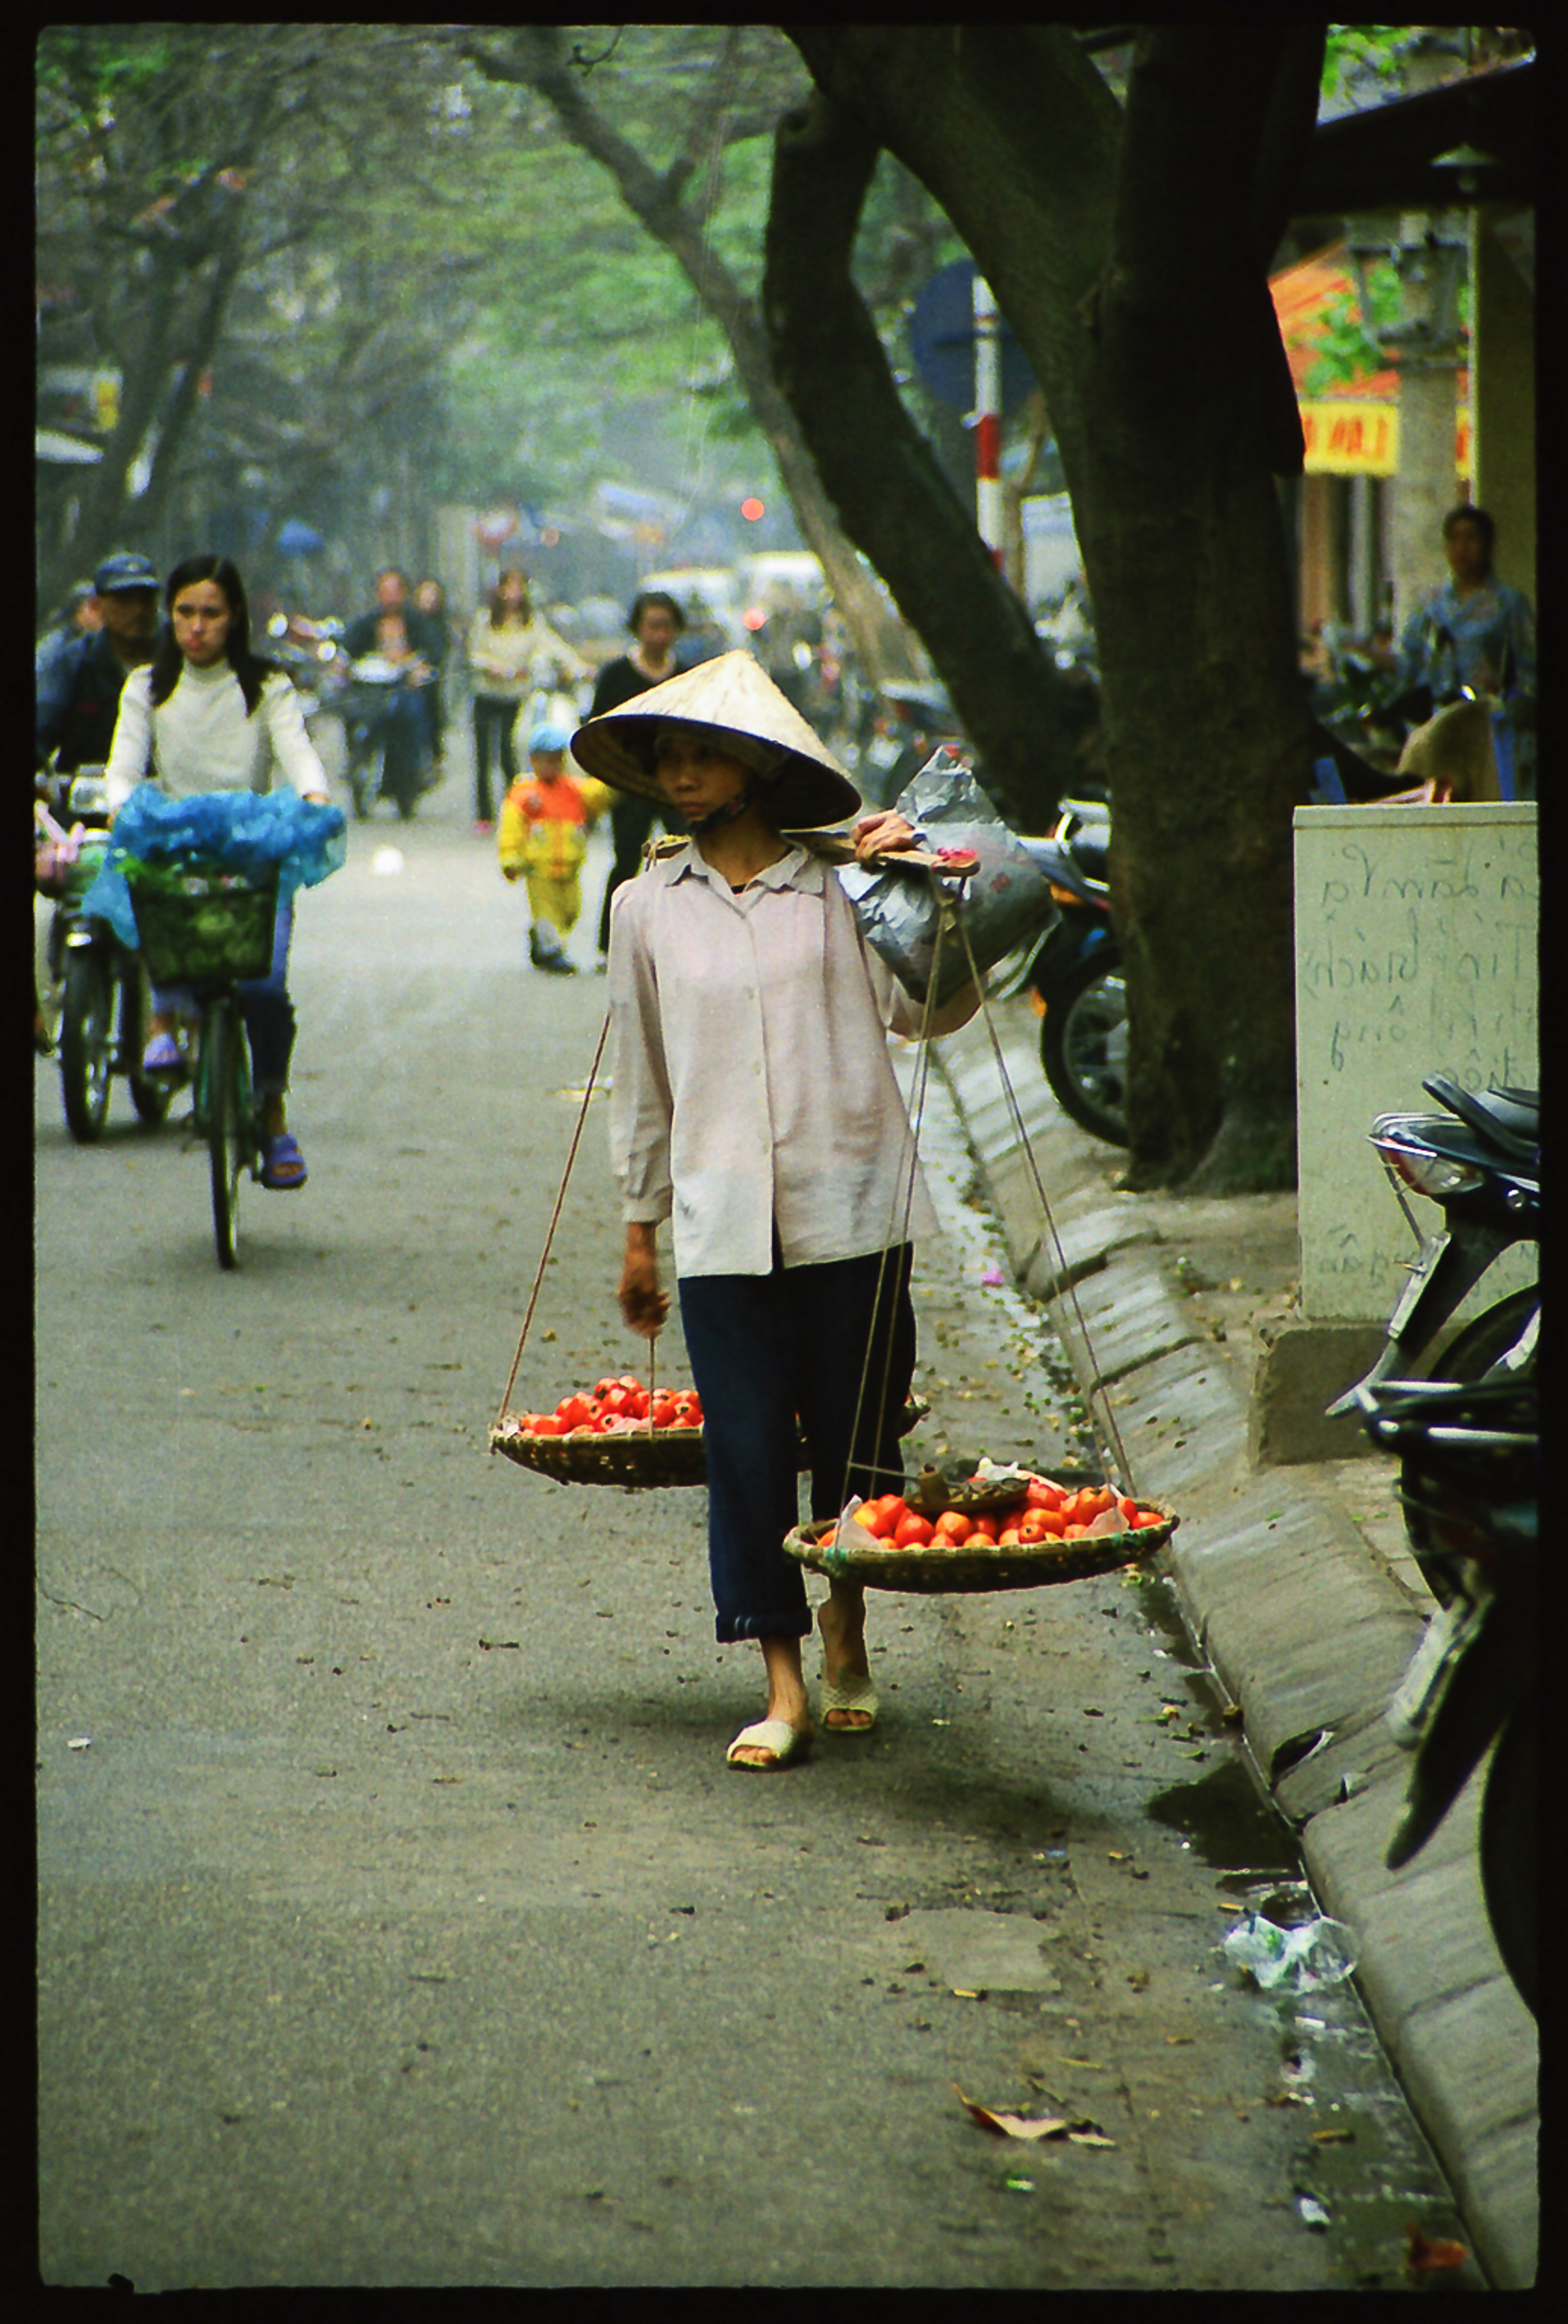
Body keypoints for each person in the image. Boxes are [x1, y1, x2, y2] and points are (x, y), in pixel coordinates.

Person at [571, 650, 982, 1771]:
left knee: (857, 1437)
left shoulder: (841, 886)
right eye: (668, 756)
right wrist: (638, 1226)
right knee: (747, 1446)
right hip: (718, 1221)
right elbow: (642, 1078)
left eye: (703, 752)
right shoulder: (645, 904)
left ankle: (847, 1619)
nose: (682, 773)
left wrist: (924, 888)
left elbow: (930, 1009)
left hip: (851, 1200)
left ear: (756, 767)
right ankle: (782, 1677)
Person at [103, 554, 333, 1190]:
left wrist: (314, 797)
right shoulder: (148, 685)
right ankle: (164, 1018)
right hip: (177, 845)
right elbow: (124, 765)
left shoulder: (268, 685)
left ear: (234, 619)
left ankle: (271, 1109)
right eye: (185, 612)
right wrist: (120, 802)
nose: (197, 627)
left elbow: (298, 755)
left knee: (262, 984)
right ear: (169, 617)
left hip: (254, 849)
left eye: (211, 613)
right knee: (151, 907)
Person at [589, 590, 690, 965]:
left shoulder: (688, 675)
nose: (659, 635)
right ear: (638, 629)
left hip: (679, 784)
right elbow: (598, 727)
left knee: (687, 858)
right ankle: (610, 945)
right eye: (652, 626)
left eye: (666, 627)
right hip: (630, 781)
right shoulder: (616, 675)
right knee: (626, 861)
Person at [466, 568, 590, 837]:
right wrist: (494, 667)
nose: (513, 594)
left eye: (519, 587)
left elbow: (553, 646)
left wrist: (578, 666)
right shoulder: (485, 620)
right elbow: (474, 654)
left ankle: (516, 808)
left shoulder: (531, 621)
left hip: (515, 696)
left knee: (510, 751)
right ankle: (484, 814)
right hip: (487, 694)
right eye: (509, 587)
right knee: (484, 756)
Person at [497, 717, 611, 974]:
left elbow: (597, 797)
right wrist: (511, 858)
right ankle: (552, 951)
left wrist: (613, 781)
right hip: (539, 869)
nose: (552, 766)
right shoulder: (525, 794)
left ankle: (542, 940)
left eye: (557, 760)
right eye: (546, 760)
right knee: (548, 913)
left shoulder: (574, 790)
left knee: (571, 911)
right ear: (533, 760)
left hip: (570, 867)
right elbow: (511, 829)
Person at [35, 551, 161, 775]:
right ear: (97, 606)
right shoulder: (75, 661)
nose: (138, 610)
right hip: (86, 798)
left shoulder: (175, 659)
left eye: (145, 598)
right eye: (125, 599)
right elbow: (40, 731)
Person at [341, 566, 443, 797]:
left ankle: (419, 765)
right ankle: (356, 758)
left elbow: (434, 648)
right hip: (372, 686)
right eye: (384, 591)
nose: (389, 597)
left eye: (394, 591)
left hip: (404, 684)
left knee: (413, 713)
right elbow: (349, 644)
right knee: (352, 711)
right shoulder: (368, 622)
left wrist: (418, 664)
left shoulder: (417, 622)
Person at [413, 577, 452, 770]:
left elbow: (441, 650)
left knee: (430, 711)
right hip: (407, 676)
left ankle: (433, 754)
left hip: (429, 680)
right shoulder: (410, 620)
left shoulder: (439, 625)